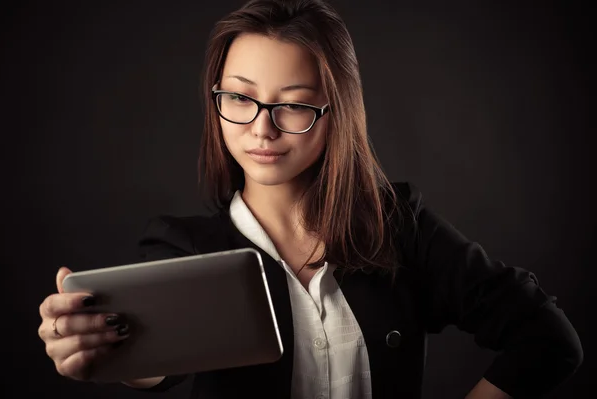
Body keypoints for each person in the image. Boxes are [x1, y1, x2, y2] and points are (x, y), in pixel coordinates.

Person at [37, 0, 583, 398]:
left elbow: (547, 338)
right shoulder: (183, 246)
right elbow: (157, 366)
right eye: (240, 98)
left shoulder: (399, 227)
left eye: (293, 105)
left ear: (335, 113)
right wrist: (107, 351)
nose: (262, 130)